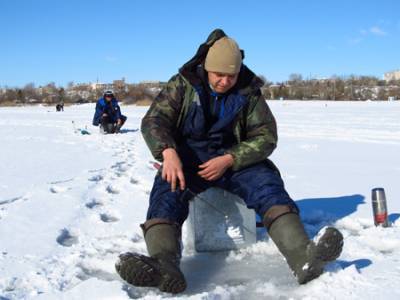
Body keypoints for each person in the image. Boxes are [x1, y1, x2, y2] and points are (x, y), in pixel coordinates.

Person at [115, 29, 343, 294]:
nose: (224, 81)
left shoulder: (249, 91)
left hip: (235, 161)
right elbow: (155, 121)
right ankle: (164, 265)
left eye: (231, 76)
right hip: (189, 161)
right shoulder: (182, 84)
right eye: (218, 75)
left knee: (267, 186)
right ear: (206, 68)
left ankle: (303, 257)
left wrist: (230, 158)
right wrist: (168, 152)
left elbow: (266, 135)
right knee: (167, 192)